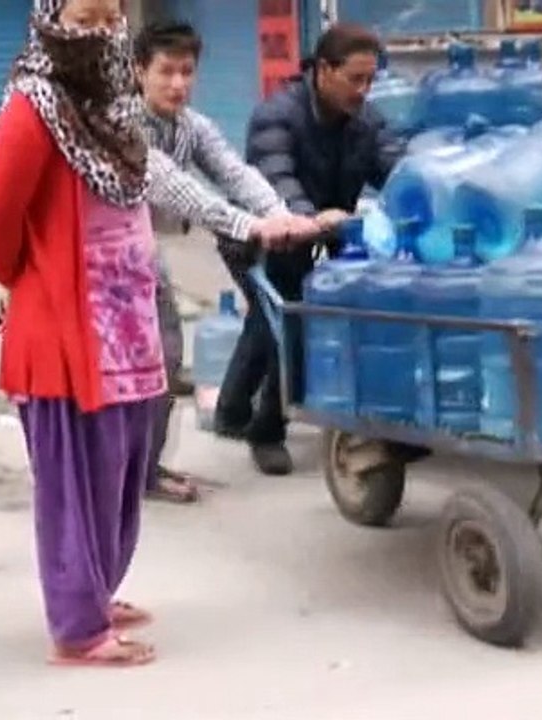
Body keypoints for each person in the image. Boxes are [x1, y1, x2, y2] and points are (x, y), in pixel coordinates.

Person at [0, 0, 169, 667]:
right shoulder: (33, 108)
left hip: (124, 327)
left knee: (117, 468)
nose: (102, 25)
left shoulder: (114, 106)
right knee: (73, 483)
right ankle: (77, 627)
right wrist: (27, 284)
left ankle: (96, 592)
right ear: (53, 17)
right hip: (64, 330)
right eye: (86, 12)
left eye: (110, 12)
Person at [133, 20, 322, 503]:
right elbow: (179, 190)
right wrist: (252, 227)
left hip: (141, 254)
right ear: (138, 72)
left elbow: (236, 174)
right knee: (116, 372)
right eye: (165, 72)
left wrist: (282, 216)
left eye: (187, 71)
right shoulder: (124, 124)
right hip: (91, 261)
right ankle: (106, 474)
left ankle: (145, 471)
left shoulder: (192, 126)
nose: (178, 84)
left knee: (166, 361)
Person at [215, 23, 405, 476]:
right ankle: (266, 431)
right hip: (259, 232)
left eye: (370, 81)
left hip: (322, 231)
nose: (363, 91)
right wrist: (303, 217)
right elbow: (275, 178)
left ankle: (231, 410)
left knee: (269, 319)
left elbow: (395, 168)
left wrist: (425, 185)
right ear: (323, 70)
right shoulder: (277, 115)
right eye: (355, 79)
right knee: (289, 319)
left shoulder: (366, 121)